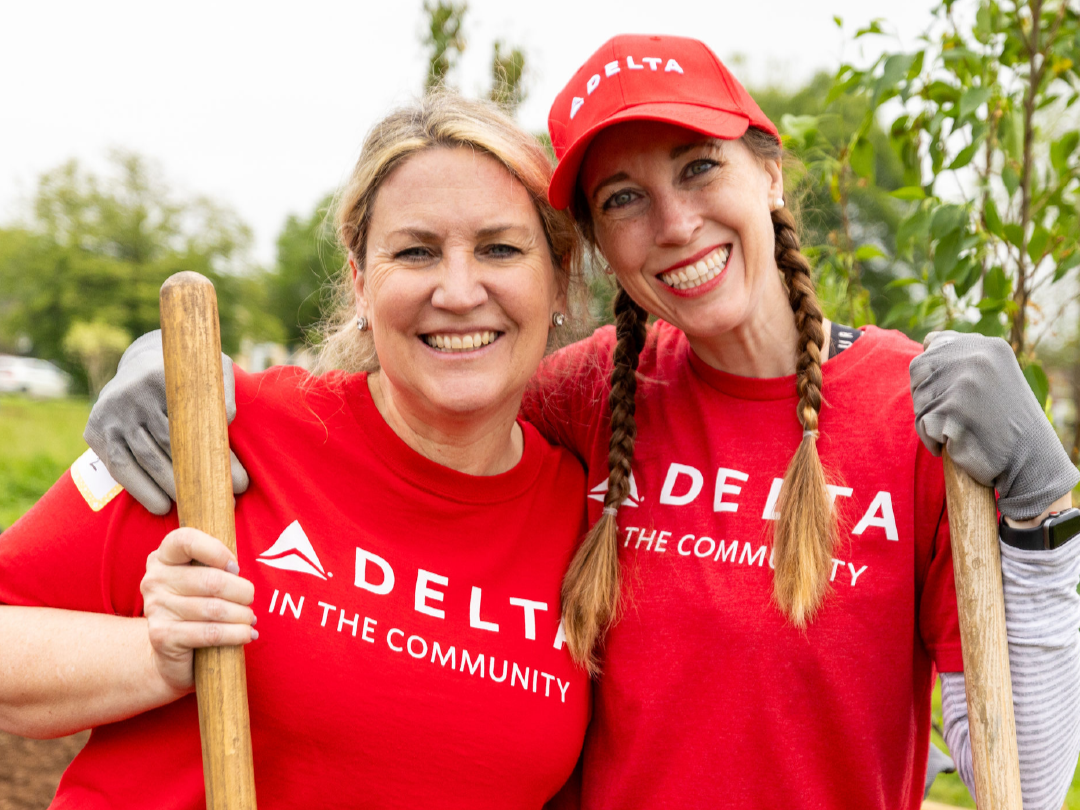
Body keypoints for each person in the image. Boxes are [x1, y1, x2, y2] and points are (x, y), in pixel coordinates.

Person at [82, 36, 1080, 810]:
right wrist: (190, 376)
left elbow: (1022, 778)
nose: (675, 224)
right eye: (624, 198)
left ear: (768, 169)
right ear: (597, 245)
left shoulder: (916, 413)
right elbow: (411, 392)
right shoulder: (593, 390)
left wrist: (1044, 517)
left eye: (699, 167)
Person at [0, 92, 592, 809]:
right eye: (416, 251)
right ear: (361, 284)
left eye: (500, 248)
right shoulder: (216, 431)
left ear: (558, 277)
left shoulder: (587, 517)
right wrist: (154, 655)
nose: (460, 291)